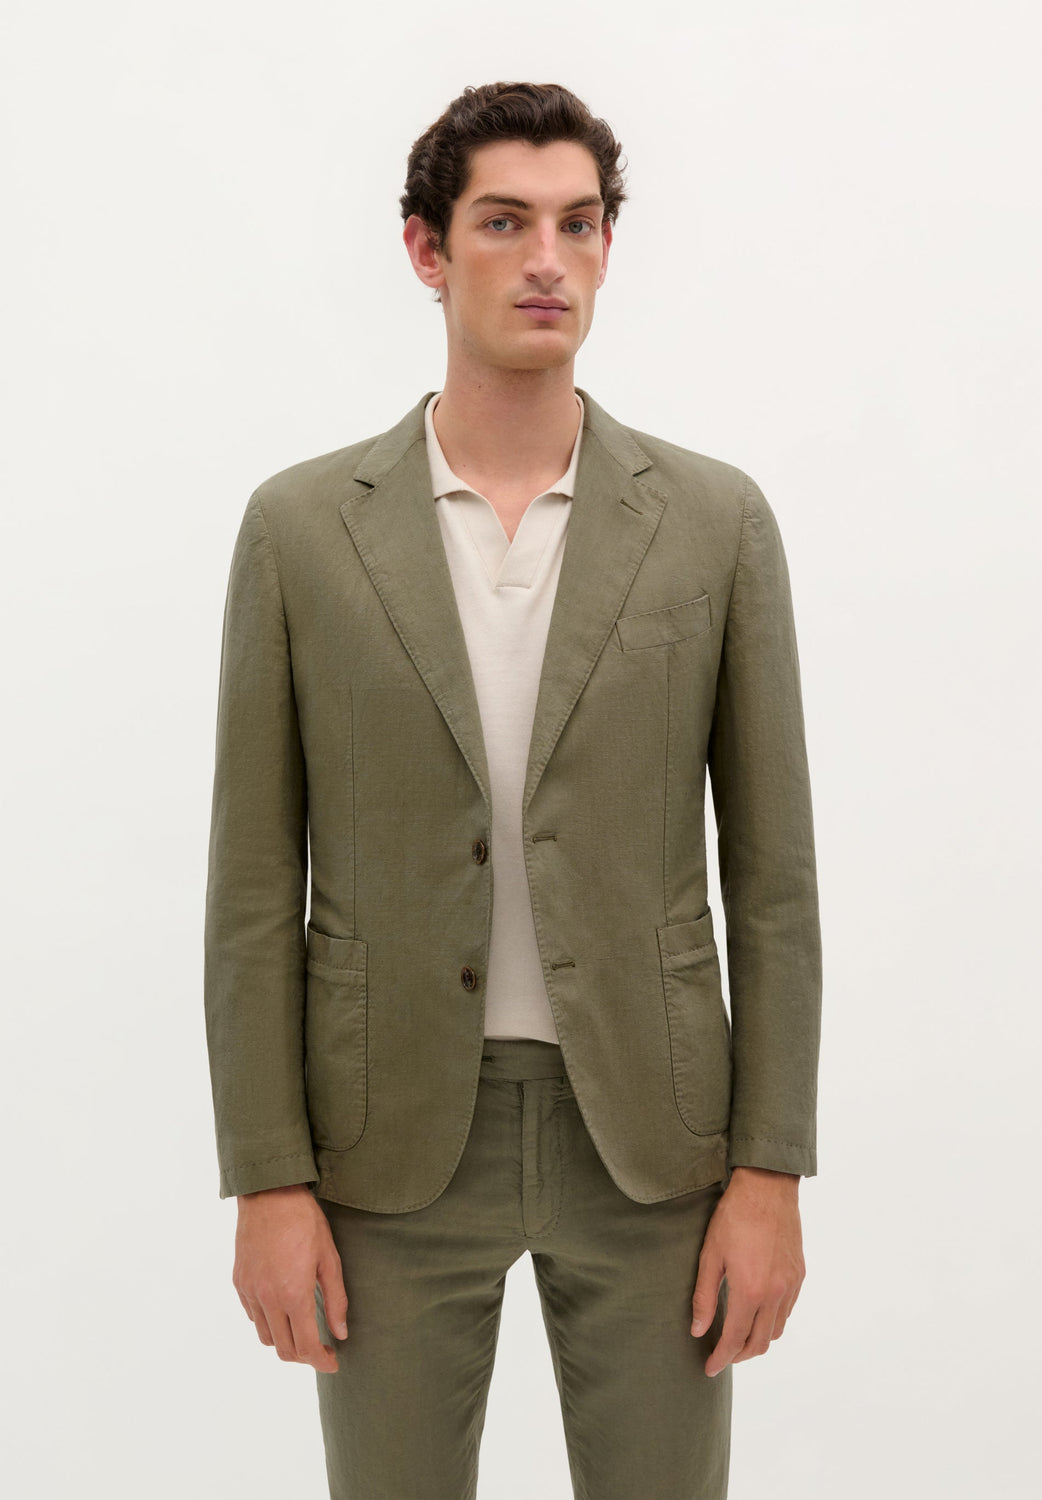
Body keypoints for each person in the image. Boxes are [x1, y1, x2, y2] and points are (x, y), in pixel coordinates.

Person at [204, 80, 822, 1500]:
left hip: (657, 1140)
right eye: (504, 222)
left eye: (578, 224)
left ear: (606, 247)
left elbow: (774, 880)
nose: (548, 259)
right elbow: (251, 886)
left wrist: (772, 1170)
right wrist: (267, 1179)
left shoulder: (713, 523)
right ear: (426, 250)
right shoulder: (301, 529)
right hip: (383, 1142)